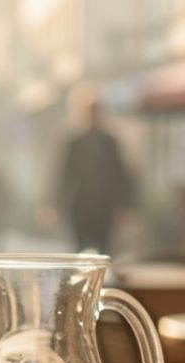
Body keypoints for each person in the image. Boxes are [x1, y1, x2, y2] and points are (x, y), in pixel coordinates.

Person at [55, 99, 134, 253]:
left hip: (105, 207)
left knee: (105, 250)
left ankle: (102, 278)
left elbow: (122, 174)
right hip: (80, 207)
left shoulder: (110, 143)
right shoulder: (74, 143)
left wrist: (125, 206)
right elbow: (64, 175)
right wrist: (55, 204)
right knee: (79, 250)